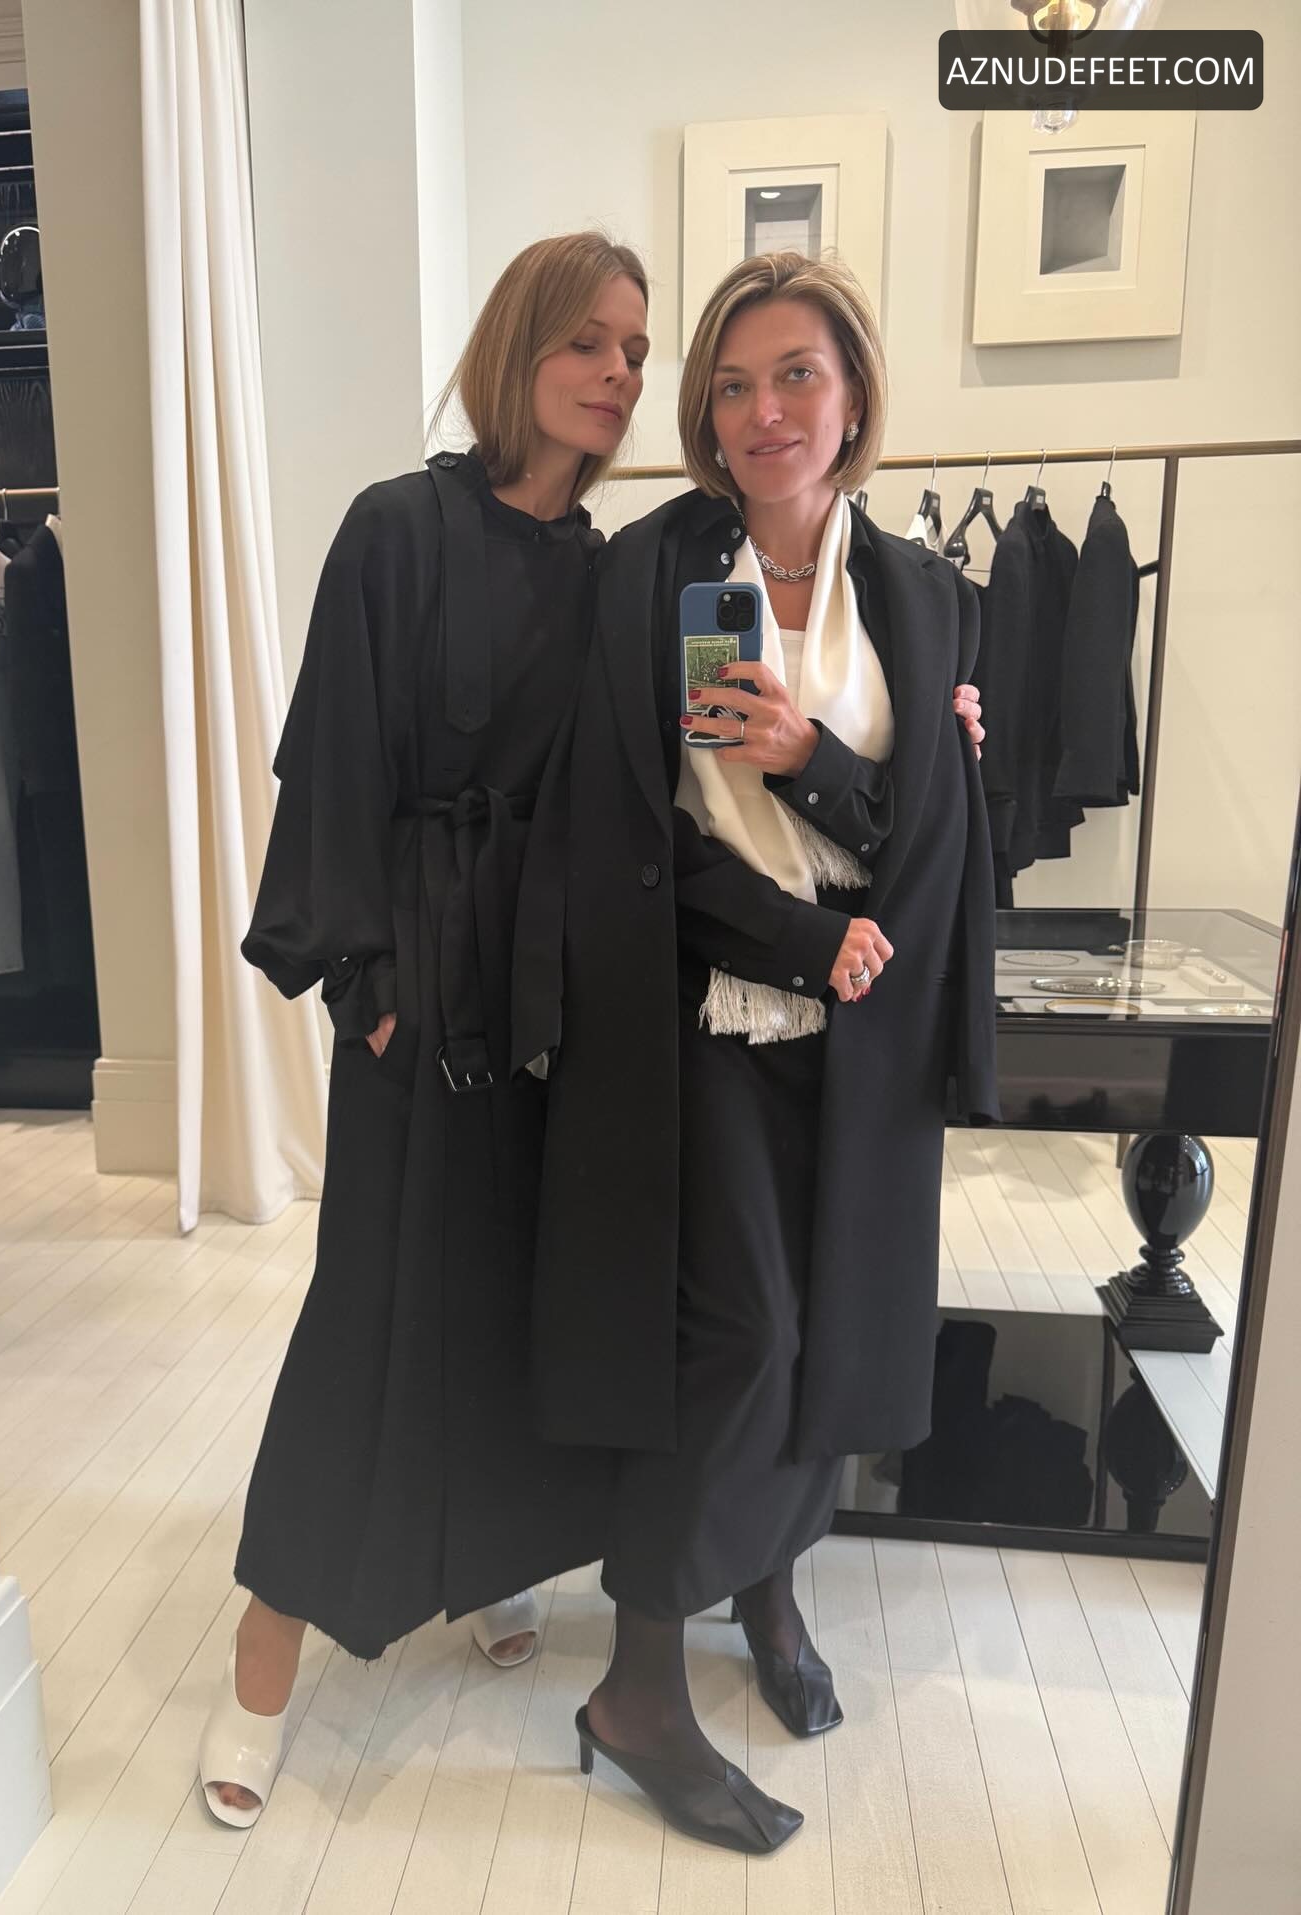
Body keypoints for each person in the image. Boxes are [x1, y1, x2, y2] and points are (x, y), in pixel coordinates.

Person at [513, 250, 999, 1855]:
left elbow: (933, 833)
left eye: (797, 375)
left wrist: (810, 760)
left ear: (853, 397)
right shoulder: (655, 573)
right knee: (744, 1341)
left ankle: (772, 1596)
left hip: (863, 1038)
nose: (763, 410)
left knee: (831, 1335)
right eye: (731, 383)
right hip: (705, 1022)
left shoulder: (924, 598)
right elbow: (629, 827)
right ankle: (638, 1685)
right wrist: (797, 933)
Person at [197, 232, 650, 1826]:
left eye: (636, 350)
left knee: (517, 1286)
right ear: (518, 347)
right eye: (589, 340)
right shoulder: (397, 528)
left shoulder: (611, 571)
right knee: (374, 1308)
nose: (619, 373)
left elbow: (674, 757)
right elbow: (333, 762)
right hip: (418, 973)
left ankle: (488, 1556)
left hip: (550, 989)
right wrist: (367, 990)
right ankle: (262, 1663)